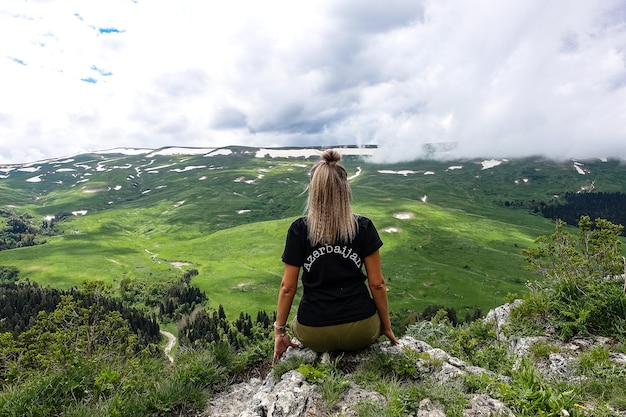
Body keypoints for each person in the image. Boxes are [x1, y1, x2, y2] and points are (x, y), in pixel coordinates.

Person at [273, 149, 399, 365]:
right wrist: (385, 327)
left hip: (313, 332)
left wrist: (280, 332)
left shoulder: (299, 230)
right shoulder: (363, 227)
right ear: (345, 189)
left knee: (299, 323)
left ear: (313, 191)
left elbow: (287, 287)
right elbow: (377, 284)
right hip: (362, 329)